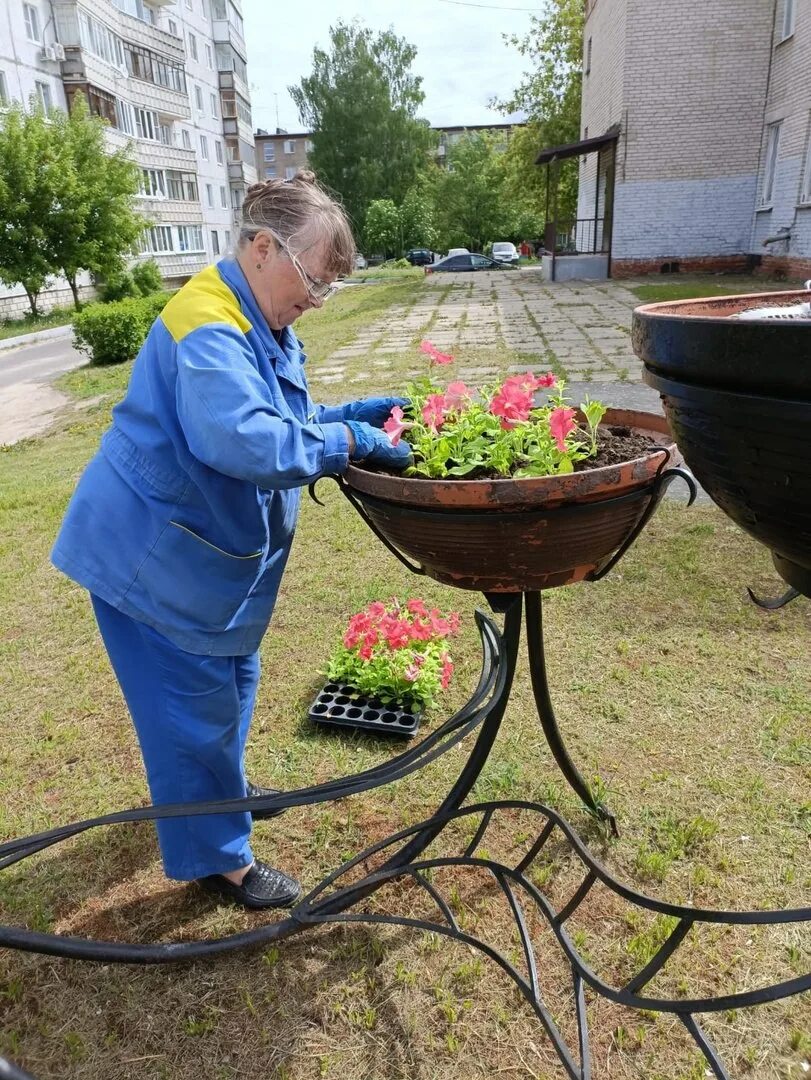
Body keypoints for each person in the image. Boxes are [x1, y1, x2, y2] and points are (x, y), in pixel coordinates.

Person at [51, 171, 411, 910]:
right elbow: (239, 437)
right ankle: (219, 859)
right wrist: (345, 439)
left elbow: (269, 415)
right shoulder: (207, 320)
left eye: (329, 288)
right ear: (259, 247)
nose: (316, 299)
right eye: (314, 279)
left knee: (232, 685)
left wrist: (342, 414)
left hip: (202, 560)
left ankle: (223, 793)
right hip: (150, 558)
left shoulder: (258, 316)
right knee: (191, 710)